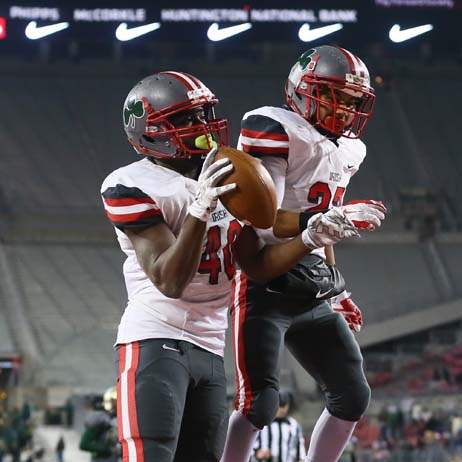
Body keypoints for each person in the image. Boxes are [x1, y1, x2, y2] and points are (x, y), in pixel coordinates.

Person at [100, 71, 361, 462]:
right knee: (151, 453)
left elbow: (256, 264)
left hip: (209, 343)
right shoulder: (132, 184)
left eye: (205, 115)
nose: (203, 127)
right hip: (155, 335)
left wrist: (310, 234)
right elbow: (169, 279)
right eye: (187, 119)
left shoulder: (230, 174)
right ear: (151, 132)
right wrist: (200, 209)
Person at [221, 45, 387, 462]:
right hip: (265, 277)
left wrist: (336, 289)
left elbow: (325, 226)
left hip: (309, 276)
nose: (346, 109)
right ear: (302, 91)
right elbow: (264, 221)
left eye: (353, 101)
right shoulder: (275, 127)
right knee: (257, 405)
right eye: (336, 97)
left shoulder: (350, 150)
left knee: (352, 396)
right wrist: (325, 220)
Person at [252, 391, 305, 462]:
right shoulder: (262, 423)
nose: (282, 409)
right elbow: (251, 446)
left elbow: (300, 449)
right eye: (280, 405)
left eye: (284, 406)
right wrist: (258, 453)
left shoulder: (294, 425)